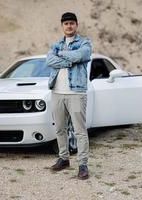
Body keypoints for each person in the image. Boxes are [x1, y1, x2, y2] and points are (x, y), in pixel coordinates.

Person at [46, 12, 92, 180]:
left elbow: (82, 55)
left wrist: (62, 55)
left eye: (72, 23)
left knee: (80, 131)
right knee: (60, 129)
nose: (69, 26)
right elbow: (49, 61)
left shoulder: (84, 42)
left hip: (76, 92)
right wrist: (70, 60)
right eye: (66, 23)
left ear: (76, 25)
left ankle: (82, 165)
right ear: (62, 26)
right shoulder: (56, 44)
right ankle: (64, 158)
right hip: (57, 92)